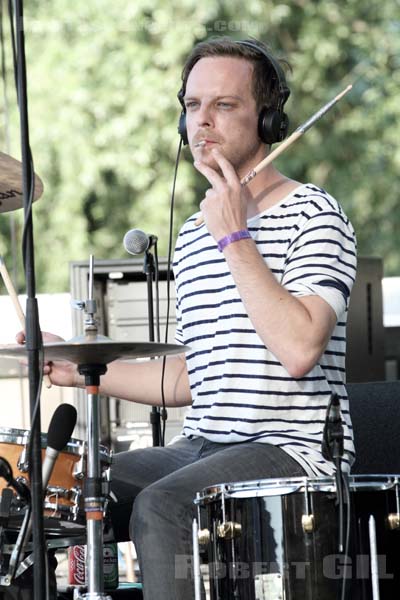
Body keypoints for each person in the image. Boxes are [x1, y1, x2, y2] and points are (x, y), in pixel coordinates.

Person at [17, 37, 357, 600]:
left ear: (269, 119)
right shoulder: (195, 235)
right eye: (194, 105)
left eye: (225, 105)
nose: (204, 122)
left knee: (165, 505)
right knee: (72, 490)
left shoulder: (314, 213)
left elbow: (299, 349)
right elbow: (190, 380)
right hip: (204, 443)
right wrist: (74, 366)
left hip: (293, 452)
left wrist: (235, 237)